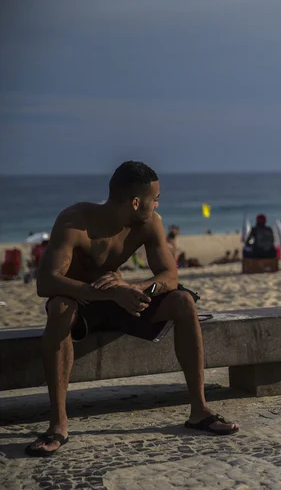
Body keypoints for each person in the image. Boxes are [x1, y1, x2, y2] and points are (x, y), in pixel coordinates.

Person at [26, 161, 238, 457]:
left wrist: (137, 288)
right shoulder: (75, 222)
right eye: (155, 198)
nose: (158, 203)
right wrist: (106, 292)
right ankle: (58, 424)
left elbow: (169, 276)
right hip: (81, 306)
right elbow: (46, 283)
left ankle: (199, 411)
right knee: (60, 307)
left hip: (123, 300)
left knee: (183, 301)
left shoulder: (149, 223)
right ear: (136, 202)